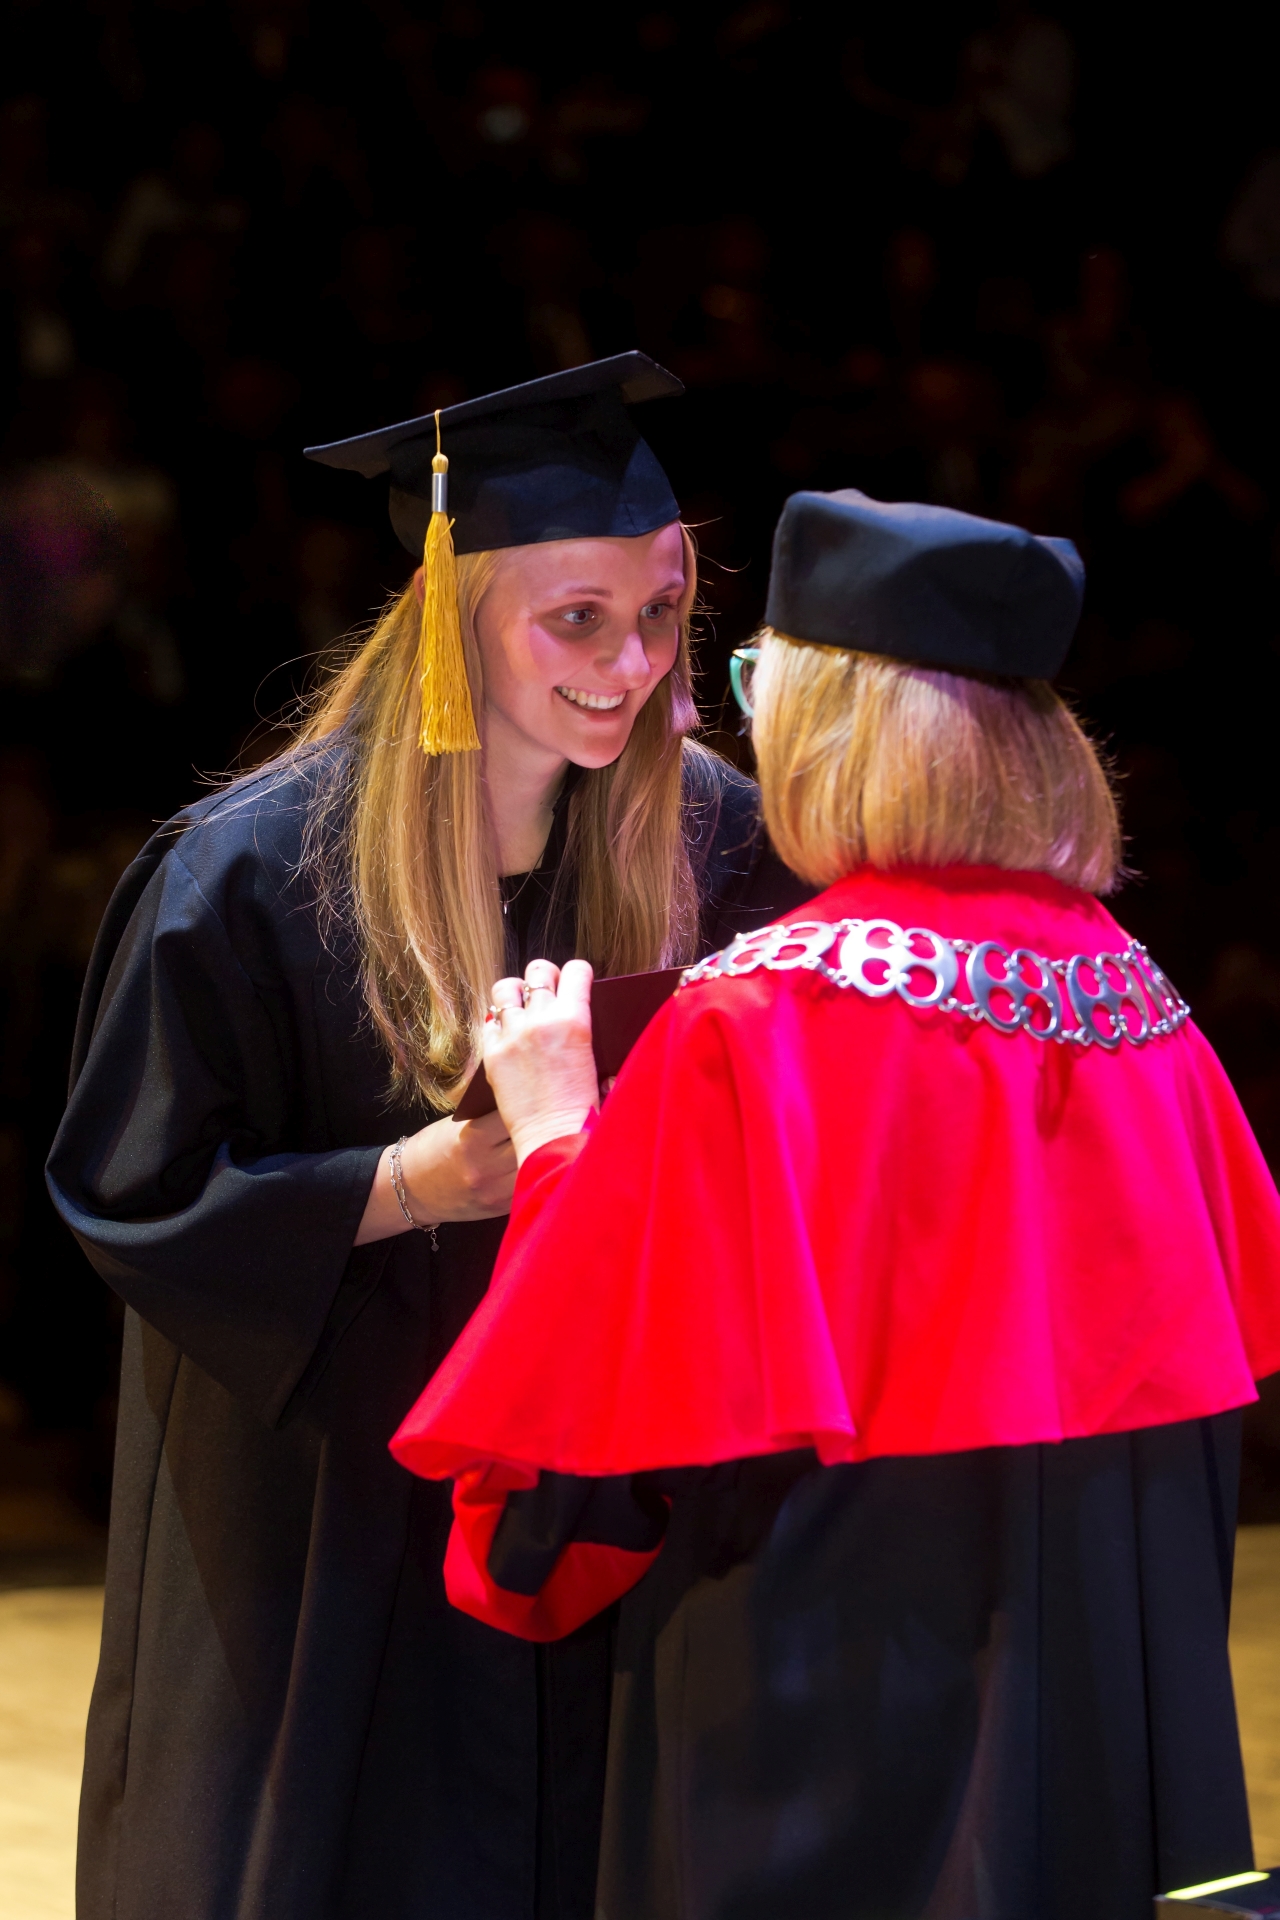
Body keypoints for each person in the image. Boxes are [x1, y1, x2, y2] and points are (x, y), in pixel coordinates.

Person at [391, 489, 1280, 1920]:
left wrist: (554, 1132)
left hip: (818, 1701)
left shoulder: (756, 1021)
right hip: (1086, 1722)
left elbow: (598, 1421)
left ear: (831, 727)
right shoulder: (1139, 1002)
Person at [46, 354, 809, 1920]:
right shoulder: (252, 873)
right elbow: (133, 1194)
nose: (628, 663)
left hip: (589, 1497)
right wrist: (425, 1182)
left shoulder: (716, 839)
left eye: (660, 613)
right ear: (453, 616)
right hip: (333, 1513)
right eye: (575, 617)